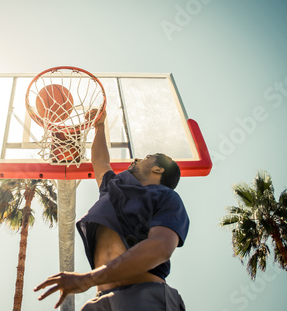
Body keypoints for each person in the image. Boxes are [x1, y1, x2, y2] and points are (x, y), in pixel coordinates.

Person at [34, 110, 189, 310]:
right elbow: (100, 162)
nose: (137, 159)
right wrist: (99, 126)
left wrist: (88, 279)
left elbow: (161, 247)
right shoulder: (113, 188)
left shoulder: (165, 197)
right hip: (100, 299)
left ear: (158, 169)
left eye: (147, 157)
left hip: (145, 294)